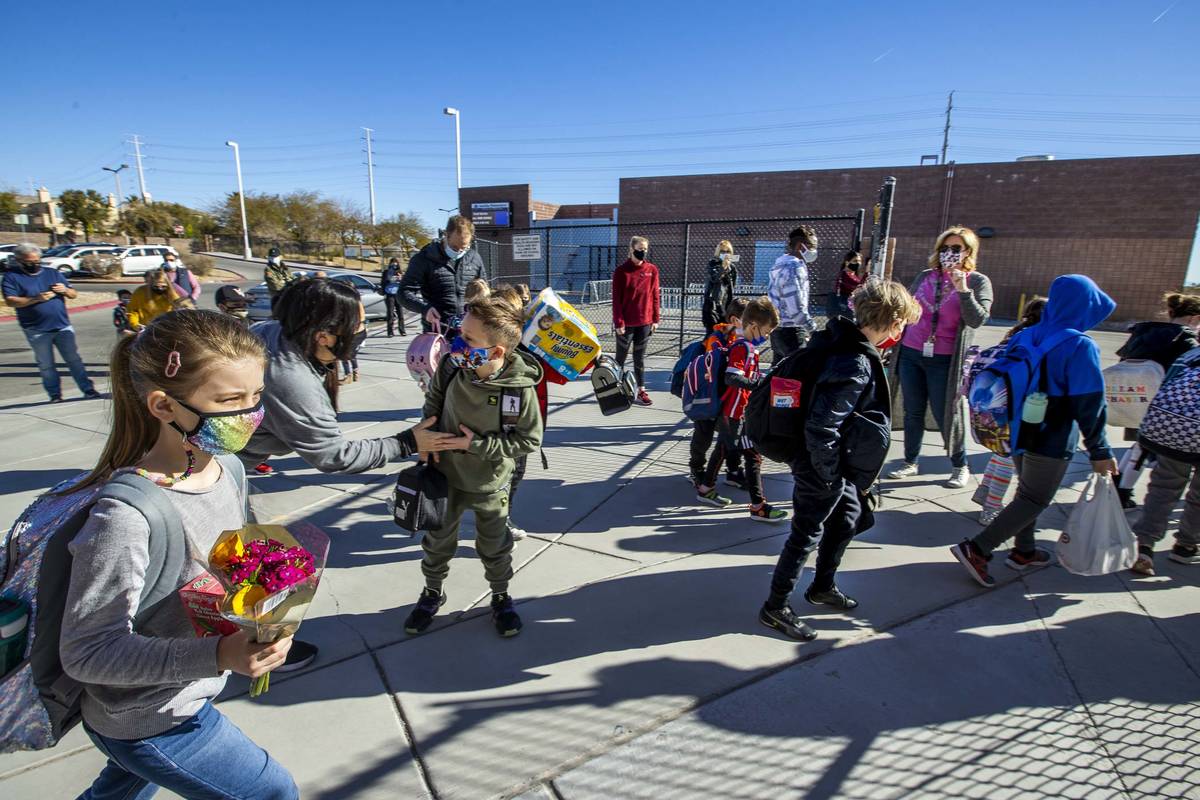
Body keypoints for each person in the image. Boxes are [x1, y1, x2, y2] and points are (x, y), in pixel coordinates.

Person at [59, 309, 298, 799]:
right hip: (149, 715)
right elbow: (87, 652)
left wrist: (270, 601)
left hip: (187, 689)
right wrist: (220, 653)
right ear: (165, 406)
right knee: (272, 792)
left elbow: (235, 554)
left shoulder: (228, 467)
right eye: (230, 401)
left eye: (256, 396)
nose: (251, 415)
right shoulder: (124, 517)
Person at [760, 279, 921, 641]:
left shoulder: (843, 342)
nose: (901, 332)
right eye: (901, 324)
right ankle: (774, 607)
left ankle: (821, 586)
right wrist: (829, 476)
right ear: (890, 320)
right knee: (806, 534)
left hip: (832, 462)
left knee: (848, 518)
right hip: (821, 463)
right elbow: (822, 426)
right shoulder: (854, 362)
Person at [952, 274, 1119, 588]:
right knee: (1036, 498)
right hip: (1051, 435)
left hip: (1014, 430)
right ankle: (978, 549)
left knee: (1026, 491)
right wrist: (1100, 451)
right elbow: (1090, 404)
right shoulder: (1079, 344)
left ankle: (1024, 551)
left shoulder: (1027, 334)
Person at [405, 292, 544, 637]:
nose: (457, 343)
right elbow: (433, 404)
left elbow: (528, 441)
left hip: (489, 482)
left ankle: (500, 597)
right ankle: (432, 593)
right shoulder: (453, 367)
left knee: (495, 547)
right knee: (437, 542)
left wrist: (474, 444)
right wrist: (427, 440)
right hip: (444, 477)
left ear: (496, 352)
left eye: (468, 339)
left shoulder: (517, 391)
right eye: (459, 333)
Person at [887, 226, 994, 489]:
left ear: (968, 251)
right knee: (913, 410)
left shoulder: (978, 281)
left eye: (956, 248)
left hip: (944, 359)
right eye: (944, 248)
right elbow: (908, 308)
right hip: (911, 353)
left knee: (947, 411)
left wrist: (963, 289)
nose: (949, 253)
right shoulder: (926, 276)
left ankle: (960, 464)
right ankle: (910, 461)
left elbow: (977, 319)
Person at [694, 297, 788, 522]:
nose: (766, 337)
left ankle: (709, 490)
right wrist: (761, 384)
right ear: (753, 326)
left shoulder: (745, 347)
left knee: (736, 453)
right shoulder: (742, 348)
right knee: (746, 456)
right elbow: (732, 378)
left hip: (739, 413)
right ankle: (755, 505)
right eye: (766, 332)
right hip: (733, 413)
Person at [1112, 292, 1200, 511]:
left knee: (1139, 446)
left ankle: (1118, 485)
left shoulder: (1145, 332)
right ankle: (1122, 493)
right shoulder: (1186, 341)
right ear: (1192, 318)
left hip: (1133, 396)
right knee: (1144, 450)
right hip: (1162, 405)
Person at [972, 297, 1047, 526]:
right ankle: (991, 509)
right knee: (1006, 462)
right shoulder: (1035, 343)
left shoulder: (1013, 337)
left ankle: (985, 490)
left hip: (989, 410)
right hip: (1013, 413)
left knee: (1000, 453)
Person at [1, 243, 100, 403]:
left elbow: (73, 294)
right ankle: (55, 394)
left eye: (37, 261)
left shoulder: (52, 273)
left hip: (62, 325)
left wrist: (65, 291)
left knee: (74, 359)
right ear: (19, 261)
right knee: (46, 364)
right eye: (29, 262)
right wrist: (36, 299)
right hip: (36, 328)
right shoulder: (12, 277)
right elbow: (11, 301)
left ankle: (88, 389)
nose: (34, 264)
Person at [689, 298, 749, 492]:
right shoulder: (717, 338)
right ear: (734, 319)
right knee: (703, 434)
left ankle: (733, 471)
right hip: (709, 396)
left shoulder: (742, 339)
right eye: (748, 320)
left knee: (731, 436)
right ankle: (696, 468)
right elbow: (714, 369)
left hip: (728, 397)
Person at [400, 215, 487, 332]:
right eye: (455, 247)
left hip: (468, 331)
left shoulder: (474, 258)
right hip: (437, 329)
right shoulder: (424, 259)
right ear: (446, 235)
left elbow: (484, 289)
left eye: (464, 247)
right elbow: (404, 292)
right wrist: (425, 309)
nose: (459, 251)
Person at [612, 235, 661, 406]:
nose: (643, 252)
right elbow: (616, 300)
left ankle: (641, 390)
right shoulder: (621, 271)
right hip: (626, 325)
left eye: (645, 249)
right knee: (620, 358)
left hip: (645, 323)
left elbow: (655, 295)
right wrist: (619, 322)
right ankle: (615, 391)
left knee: (639, 358)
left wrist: (655, 319)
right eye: (640, 249)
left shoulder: (652, 270)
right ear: (631, 249)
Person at [767, 225, 819, 361]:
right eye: (812, 246)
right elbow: (796, 308)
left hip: (777, 329)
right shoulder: (794, 268)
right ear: (801, 246)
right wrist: (813, 329)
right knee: (798, 375)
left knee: (779, 373)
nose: (814, 250)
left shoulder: (778, 265)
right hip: (792, 331)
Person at [702, 240, 738, 333]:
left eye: (728, 252)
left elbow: (732, 286)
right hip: (713, 305)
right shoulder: (712, 263)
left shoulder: (732, 268)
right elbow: (715, 279)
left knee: (725, 335)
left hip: (726, 305)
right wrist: (723, 267)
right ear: (718, 252)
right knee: (712, 335)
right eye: (723, 252)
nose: (725, 254)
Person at [828, 251, 866, 320]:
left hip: (850, 307)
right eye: (855, 261)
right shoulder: (845, 275)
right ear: (847, 262)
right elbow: (859, 286)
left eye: (860, 261)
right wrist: (866, 273)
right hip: (844, 307)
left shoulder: (853, 274)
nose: (858, 263)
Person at [380, 257, 406, 336]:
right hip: (389, 293)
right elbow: (382, 282)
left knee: (400, 313)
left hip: (398, 294)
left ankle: (402, 330)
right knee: (390, 313)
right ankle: (390, 332)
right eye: (392, 263)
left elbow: (405, 282)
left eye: (396, 263)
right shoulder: (386, 272)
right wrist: (388, 280)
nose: (394, 265)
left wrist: (401, 278)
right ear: (390, 264)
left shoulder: (400, 272)